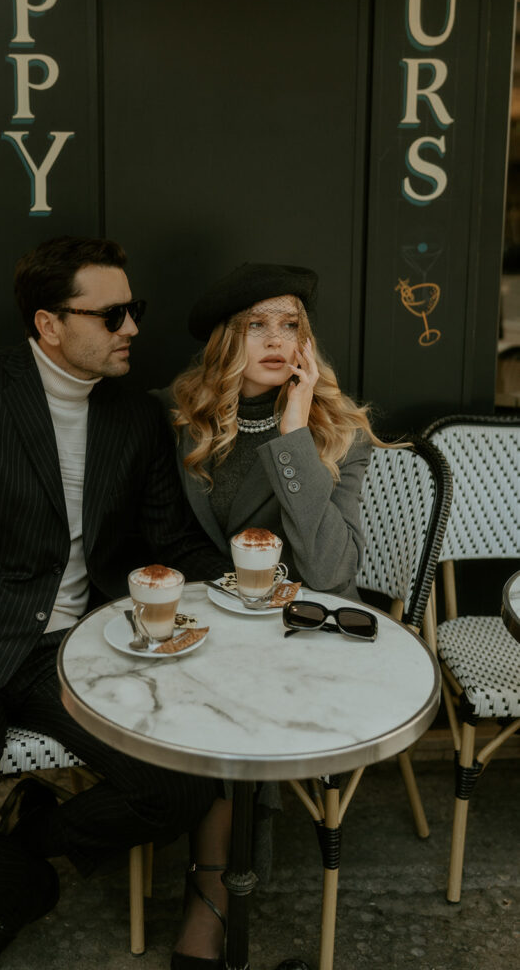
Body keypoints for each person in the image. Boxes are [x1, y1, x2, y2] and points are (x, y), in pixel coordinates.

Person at [0, 235, 227, 970]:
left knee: (184, 788)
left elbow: (170, 542)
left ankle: (31, 836)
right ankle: (28, 890)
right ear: (48, 324)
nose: (131, 327)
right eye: (111, 315)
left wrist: (249, 589)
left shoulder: (133, 418)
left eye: (134, 309)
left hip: (78, 654)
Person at [160, 261, 388, 970]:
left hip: (300, 630)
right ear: (224, 340)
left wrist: (293, 433)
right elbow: (155, 540)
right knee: (216, 693)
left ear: (307, 344)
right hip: (199, 623)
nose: (276, 338)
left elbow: (330, 573)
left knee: (246, 697)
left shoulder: (335, 431)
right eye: (256, 324)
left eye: (289, 324)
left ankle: (216, 896)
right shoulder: (175, 417)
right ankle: (216, 888)